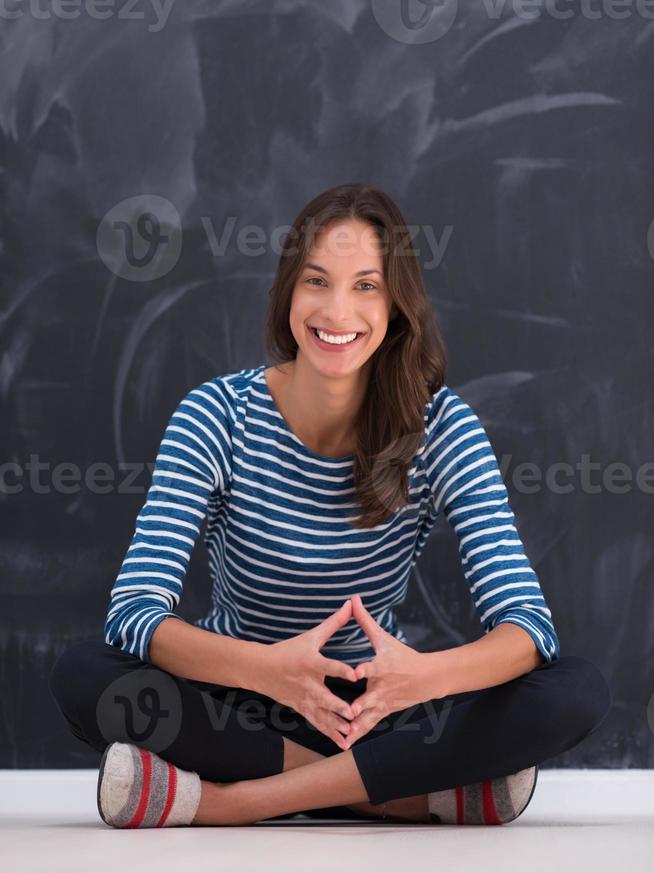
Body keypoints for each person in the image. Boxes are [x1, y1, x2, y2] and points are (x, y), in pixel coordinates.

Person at [49, 183, 612, 829]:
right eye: (317, 280)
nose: (337, 310)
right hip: (240, 697)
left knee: (573, 692)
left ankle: (229, 802)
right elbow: (134, 614)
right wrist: (270, 670)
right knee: (85, 674)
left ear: (398, 304)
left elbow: (527, 629)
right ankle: (407, 796)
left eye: (366, 285)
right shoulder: (214, 416)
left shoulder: (444, 428)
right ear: (288, 291)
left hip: (381, 707)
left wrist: (420, 680)